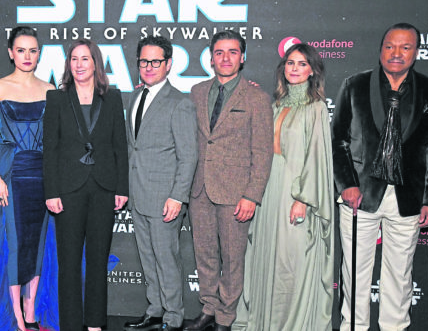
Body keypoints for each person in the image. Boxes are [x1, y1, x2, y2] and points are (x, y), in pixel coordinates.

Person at [332, 22, 428, 331]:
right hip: (359, 196)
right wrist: (347, 184)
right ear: (380, 49)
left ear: (416, 52)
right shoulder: (354, 85)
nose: (396, 53)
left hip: (409, 198)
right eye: (390, 46)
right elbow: (338, 140)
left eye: (405, 47)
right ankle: (355, 327)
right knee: (355, 272)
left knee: (400, 274)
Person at [233, 43, 334, 330]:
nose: (295, 68)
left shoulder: (316, 108)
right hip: (268, 190)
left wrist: (303, 198)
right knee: (268, 262)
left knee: (293, 261)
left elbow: (316, 157)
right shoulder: (274, 105)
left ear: (312, 70)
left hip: (297, 192)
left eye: (302, 64)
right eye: (291, 63)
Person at [0, 26, 54, 331]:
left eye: (33, 51)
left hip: (43, 176)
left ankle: (31, 307)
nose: (27, 56)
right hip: (11, 175)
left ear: (39, 54)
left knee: (38, 242)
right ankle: (15, 313)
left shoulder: (49, 88)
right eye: (21, 50)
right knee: (14, 243)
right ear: (10, 52)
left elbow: (55, 139)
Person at [184, 31, 273, 331]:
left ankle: (225, 317)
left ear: (243, 57)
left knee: (233, 259)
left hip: (236, 193)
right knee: (205, 254)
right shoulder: (196, 91)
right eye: (219, 52)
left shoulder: (257, 98)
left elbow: (262, 151)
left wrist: (252, 195)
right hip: (199, 189)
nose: (225, 58)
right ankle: (208, 308)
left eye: (232, 52)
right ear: (211, 58)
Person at [43, 39, 129, 331]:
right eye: (74, 59)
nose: (79, 64)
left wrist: (122, 188)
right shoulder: (56, 98)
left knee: (97, 261)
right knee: (68, 263)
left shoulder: (113, 97)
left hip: (103, 187)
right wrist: (51, 191)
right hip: (68, 189)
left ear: (96, 63)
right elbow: (50, 148)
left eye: (85, 59)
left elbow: (120, 145)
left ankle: (94, 324)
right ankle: (70, 324)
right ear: (69, 64)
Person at [123, 36, 197, 331]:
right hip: (138, 193)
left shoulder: (179, 103)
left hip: (165, 196)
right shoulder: (134, 97)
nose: (149, 66)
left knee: (166, 258)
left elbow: (188, 156)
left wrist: (178, 196)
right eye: (144, 61)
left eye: (156, 61)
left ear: (168, 64)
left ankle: (173, 316)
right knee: (147, 257)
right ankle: (154, 310)